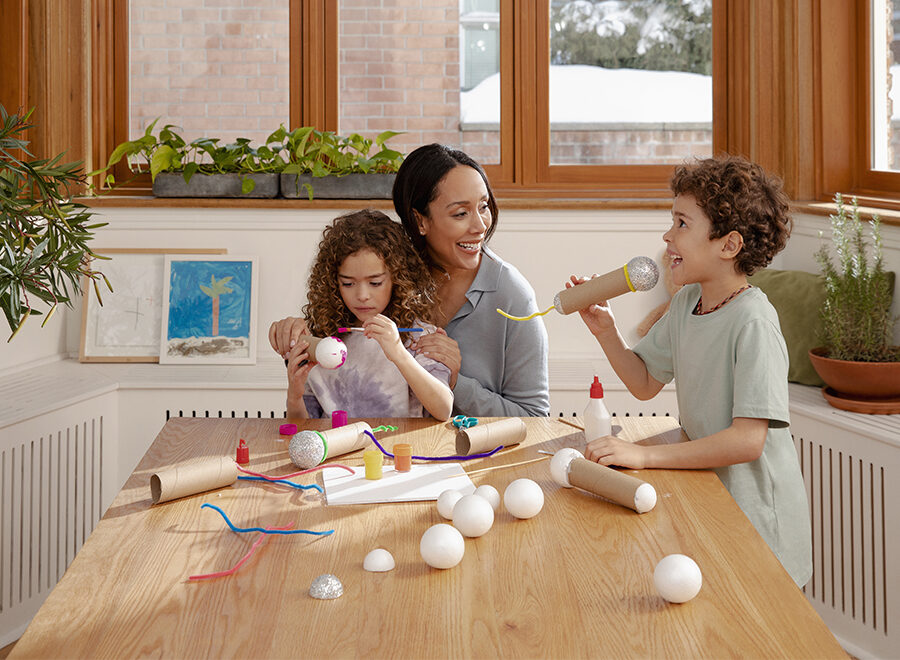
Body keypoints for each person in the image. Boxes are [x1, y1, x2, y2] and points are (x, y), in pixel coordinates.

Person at [567, 155, 812, 588]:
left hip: (759, 519)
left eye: (682, 223)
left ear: (729, 245)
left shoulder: (753, 321)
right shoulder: (686, 303)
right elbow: (644, 383)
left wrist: (644, 456)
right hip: (712, 496)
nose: (668, 235)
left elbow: (747, 440)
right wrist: (606, 331)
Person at [271, 144, 550, 417]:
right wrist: (297, 329)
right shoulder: (390, 269)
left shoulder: (512, 294)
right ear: (420, 221)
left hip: (472, 453)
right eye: (461, 213)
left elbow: (534, 417)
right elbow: (340, 320)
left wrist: (455, 382)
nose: (480, 226)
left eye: (484, 206)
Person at [279, 209, 453, 421]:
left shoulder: (420, 338)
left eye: (375, 283)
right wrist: (294, 396)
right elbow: (302, 428)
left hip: (399, 449)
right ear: (333, 283)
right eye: (348, 283)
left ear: (397, 279)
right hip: (337, 450)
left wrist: (398, 353)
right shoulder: (319, 341)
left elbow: (444, 409)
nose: (362, 295)